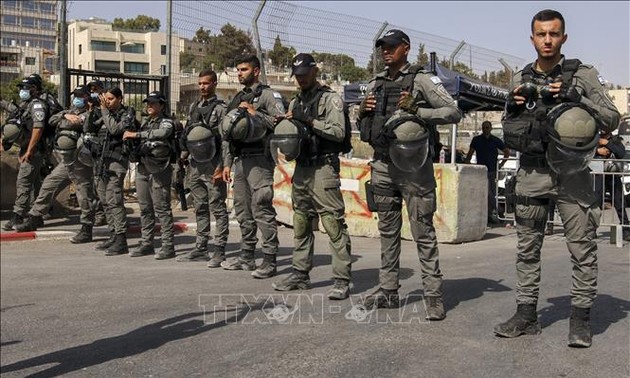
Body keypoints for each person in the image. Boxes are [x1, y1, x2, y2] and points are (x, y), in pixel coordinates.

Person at [494, 9, 620, 348]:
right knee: (527, 248)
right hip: (532, 171)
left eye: (553, 34)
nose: (547, 40)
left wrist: (576, 97)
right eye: (541, 34)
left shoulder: (583, 75)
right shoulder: (521, 75)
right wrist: (513, 104)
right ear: (532, 38)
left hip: (573, 174)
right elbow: (511, 122)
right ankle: (526, 315)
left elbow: (612, 117)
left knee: (582, 248)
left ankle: (579, 319)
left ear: (563, 37)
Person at [357, 29, 462, 319]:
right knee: (387, 232)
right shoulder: (374, 84)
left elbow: (453, 112)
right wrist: (362, 112)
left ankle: (433, 295)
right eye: (382, 47)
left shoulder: (422, 80)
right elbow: (364, 123)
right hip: (381, 165)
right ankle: (388, 291)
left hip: (415, 169)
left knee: (423, 231)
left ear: (406, 48)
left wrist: (419, 111)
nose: (385, 51)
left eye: (391, 46)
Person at [271, 53, 353, 300]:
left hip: (323, 169)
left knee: (332, 224)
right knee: (301, 222)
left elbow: (338, 133)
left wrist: (308, 121)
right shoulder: (295, 102)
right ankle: (300, 274)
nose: (301, 79)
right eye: (297, 76)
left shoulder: (330, 99)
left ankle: (341, 279)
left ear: (314, 71)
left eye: (305, 74)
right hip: (302, 168)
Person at [219, 55, 286, 279]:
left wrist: (254, 113)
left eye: (244, 69)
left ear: (256, 71)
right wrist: (227, 162)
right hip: (240, 161)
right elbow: (228, 133)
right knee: (242, 210)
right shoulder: (237, 97)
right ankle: (247, 256)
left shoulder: (268, 95)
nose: (239, 73)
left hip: (260, 160)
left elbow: (281, 122)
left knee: (262, 208)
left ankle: (269, 259)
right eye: (237, 70)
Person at [16, 85, 99, 245]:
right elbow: (52, 120)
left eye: (81, 96)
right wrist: (66, 115)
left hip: (81, 159)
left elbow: (83, 125)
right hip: (66, 160)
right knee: (49, 184)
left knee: (84, 194)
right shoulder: (70, 111)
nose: (77, 99)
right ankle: (35, 217)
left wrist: (70, 120)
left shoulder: (92, 113)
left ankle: (87, 227)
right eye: (76, 95)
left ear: (88, 98)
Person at [176, 69, 230, 264]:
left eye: (206, 83)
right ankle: (200, 247)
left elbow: (226, 140)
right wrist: (183, 157)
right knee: (199, 206)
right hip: (195, 164)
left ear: (214, 83)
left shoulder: (221, 108)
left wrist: (223, 165)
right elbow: (190, 133)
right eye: (200, 83)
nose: (202, 87)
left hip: (213, 163)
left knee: (217, 207)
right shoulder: (194, 106)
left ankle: (220, 249)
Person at [123, 91, 177, 260]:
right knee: (145, 208)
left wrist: (137, 135)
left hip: (159, 169)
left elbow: (163, 134)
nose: (149, 106)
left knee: (162, 208)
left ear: (161, 105)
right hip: (143, 168)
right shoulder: (145, 122)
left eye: (153, 103)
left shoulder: (166, 122)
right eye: (148, 103)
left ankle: (168, 246)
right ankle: (147, 243)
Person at [87, 87, 132, 255]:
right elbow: (89, 128)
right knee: (105, 200)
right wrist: (93, 111)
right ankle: (113, 234)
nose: (107, 102)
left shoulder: (127, 113)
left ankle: (121, 240)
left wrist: (105, 111)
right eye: (106, 99)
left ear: (120, 98)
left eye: (111, 98)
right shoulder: (105, 113)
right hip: (102, 162)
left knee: (114, 200)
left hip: (116, 162)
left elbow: (114, 130)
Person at [1, 76, 49, 231]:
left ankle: (18, 215)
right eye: (21, 88)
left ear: (35, 89)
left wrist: (29, 150)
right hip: (27, 147)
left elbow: (38, 128)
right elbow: (15, 111)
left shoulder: (37, 105)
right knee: (34, 183)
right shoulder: (26, 104)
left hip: (34, 149)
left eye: (27, 88)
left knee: (23, 181)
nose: (23, 91)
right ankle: (36, 216)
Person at [464, 120, 510, 224]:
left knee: (491, 193)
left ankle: (494, 213)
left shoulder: (495, 140)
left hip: (492, 170)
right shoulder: (476, 140)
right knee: (485, 193)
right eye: (484, 128)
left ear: (490, 129)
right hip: (480, 171)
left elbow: (507, 152)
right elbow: (470, 153)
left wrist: (501, 164)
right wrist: (467, 164)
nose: (485, 130)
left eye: (487, 128)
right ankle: (496, 211)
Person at [593, 129, 630, 241]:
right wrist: (598, 151)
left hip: (613, 175)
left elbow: (621, 153)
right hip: (598, 174)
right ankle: (591, 229)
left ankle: (626, 230)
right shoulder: (594, 139)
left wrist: (607, 143)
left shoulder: (615, 140)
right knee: (596, 203)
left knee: (619, 202)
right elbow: (585, 152)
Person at [86, 79, 107, 227]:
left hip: (107, 150)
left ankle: (108, 214)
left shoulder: (108, 105)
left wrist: (103, 106)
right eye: (92, 90)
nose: (94, 92)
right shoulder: (92, 108)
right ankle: (100, 213)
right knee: (95, 184)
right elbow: (88, 127)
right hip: (93, 149)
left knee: (106, 186)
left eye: (96, 89)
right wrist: (90, 110)